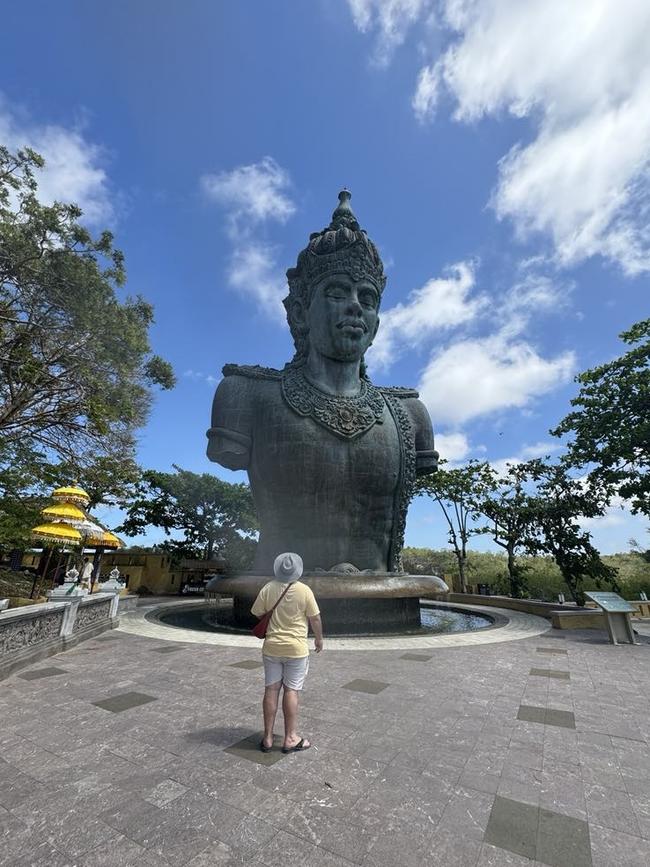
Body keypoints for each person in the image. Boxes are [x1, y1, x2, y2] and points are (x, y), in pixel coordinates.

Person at [251, 552, 323, 753]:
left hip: (272, 647)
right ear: (296, 571)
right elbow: (315, 618)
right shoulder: (304, 590)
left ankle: (267, 737)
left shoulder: (268, 588)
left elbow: (257, 612)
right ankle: (290, 738)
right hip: (296, 650)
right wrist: (319, 638)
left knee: (271, 690)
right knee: (291, 691)